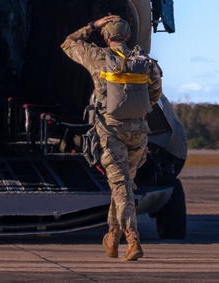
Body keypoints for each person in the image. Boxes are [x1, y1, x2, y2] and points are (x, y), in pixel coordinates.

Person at [61, 14, 162, 262]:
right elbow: (155, 95)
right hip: (138, 133)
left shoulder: (98, 58)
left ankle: (133, 239)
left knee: (120, 188)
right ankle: (113, 237)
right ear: (127, 37)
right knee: (123, 187)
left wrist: (92, 25)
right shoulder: (146, 62)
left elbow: (67, 43)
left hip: (111, 131)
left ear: (106, 37)